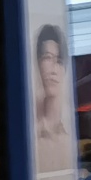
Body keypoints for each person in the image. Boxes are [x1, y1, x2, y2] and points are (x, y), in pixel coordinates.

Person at [34, 22, 71, 158]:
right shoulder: (31, 136)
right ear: (38, 64)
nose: (53, 70)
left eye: (59, 61)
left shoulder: (68, 141)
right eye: (47, 58)